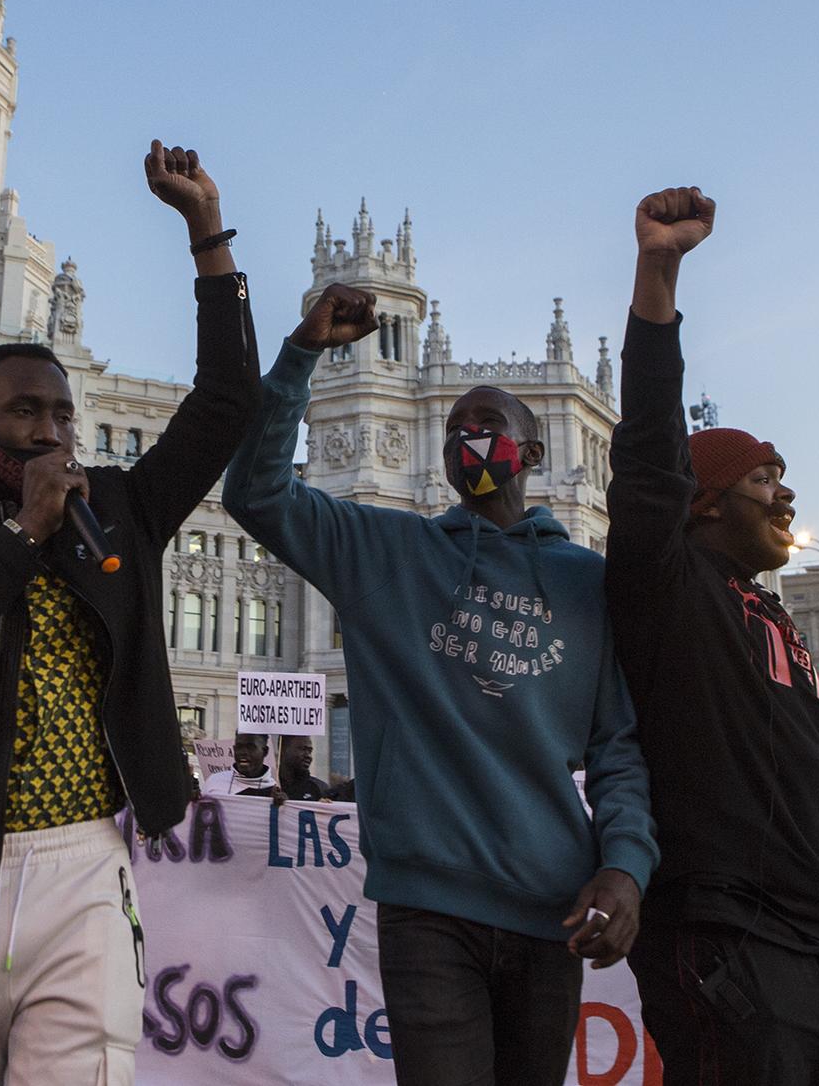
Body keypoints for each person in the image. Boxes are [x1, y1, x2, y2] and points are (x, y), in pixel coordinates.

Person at [0, 140, 260, 1085]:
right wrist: (17, 540)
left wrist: (207, 231)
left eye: (62, 416)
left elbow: (229, 401)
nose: (49, 431)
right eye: (24, 412)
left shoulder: (120, 509)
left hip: (83, 861)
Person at [223, 278, 656, 1086]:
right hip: (429, 907)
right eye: (455, 428)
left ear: (531, 454)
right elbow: (255, 493)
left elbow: (619, 748)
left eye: (487, 427)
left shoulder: (586, 584)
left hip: (551, 907)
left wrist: (626, 864)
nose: (467, 440)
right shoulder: (387, 551)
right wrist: (302, 353)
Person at [605, 186, 819, 1086]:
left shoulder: (781, 623)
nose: (787, 496)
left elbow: (803, 792)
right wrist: (659, 269)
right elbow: (652, 444)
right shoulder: (670, 585)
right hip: (722, 943)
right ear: (705, 501)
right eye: (765, 477)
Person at [201, 733, 278, 796]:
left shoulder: (274, 791)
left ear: (265, 751)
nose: (243, 752)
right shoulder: (214, 782)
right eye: (239, 747)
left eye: (250, 747)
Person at [277, 735, 330, 802]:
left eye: (310, 751)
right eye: (303, 749)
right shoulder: (268, 784)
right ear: (283, 750)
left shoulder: (319, 788)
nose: (308, 756)